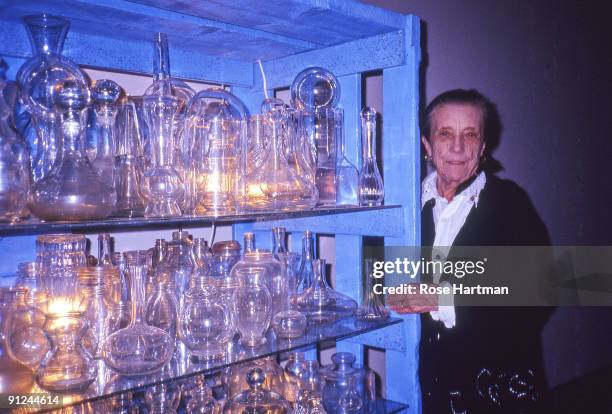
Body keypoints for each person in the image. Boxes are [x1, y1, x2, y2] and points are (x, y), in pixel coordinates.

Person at [390, 89, 551, 413]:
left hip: (498, 390)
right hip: (427, 387)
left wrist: (444, 298)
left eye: (470, 134)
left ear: (483, 146)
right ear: (427, 145)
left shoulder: (510, 204)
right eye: (445, 133)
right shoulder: (406, 207)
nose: (458, 147)